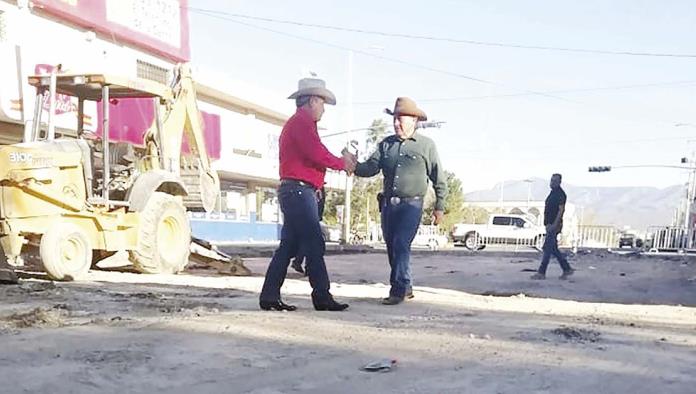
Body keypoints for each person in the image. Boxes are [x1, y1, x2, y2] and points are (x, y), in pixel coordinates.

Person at [259, 77, 355, 312]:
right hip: (300, 191)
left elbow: (314, 155)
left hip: (296, 190)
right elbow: (317, 154)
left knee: (289, 245)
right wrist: (343, 163)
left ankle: (270, 295)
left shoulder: (299, 123)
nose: (323, 109)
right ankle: (321, 295)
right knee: (313, 243)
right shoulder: (302, 124)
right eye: (322, 103)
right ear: (312, 100)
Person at [353, 97, 447, 305]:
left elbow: (439, 178)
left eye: (401, 119)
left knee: (401, 244)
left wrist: (440, 207)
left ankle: (398, 290)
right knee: (391, 247)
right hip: (388, 205)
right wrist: (352, 165)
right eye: (395, 119)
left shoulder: (426, 146)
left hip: (412, 205)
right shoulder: (386, 145)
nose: (396, 123)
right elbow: (371, 168)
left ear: (414, 120)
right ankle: (407, 286)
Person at [531, 173, 575, 280]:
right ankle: (566, 268)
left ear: (559, 182)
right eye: (551, 180)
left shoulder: (560, 194)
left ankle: (542, 272)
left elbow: (561, 210)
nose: (552, 183)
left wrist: (555, 224)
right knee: (553, 248)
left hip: (554, 225)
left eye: (555, 181)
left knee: (547, 248)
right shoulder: (552, 193)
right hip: (549, 224)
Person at [291, 186, 325, 276]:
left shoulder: (316, 187)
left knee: (307, 241)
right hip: (310, 217)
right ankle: (306, 267)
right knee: (313, 243)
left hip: (309, 216)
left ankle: (299, 262)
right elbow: (318, 203)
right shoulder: (314, 187)